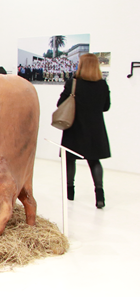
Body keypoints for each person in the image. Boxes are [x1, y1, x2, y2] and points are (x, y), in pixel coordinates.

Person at [57, 53, 111, 209]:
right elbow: (106, 107)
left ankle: (70, 192)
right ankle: (99, 195)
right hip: (95, 129)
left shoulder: (73, 83)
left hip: (74, 127)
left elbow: (60, 104)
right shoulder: (102, 84)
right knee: (94, 161)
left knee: (70, 159)